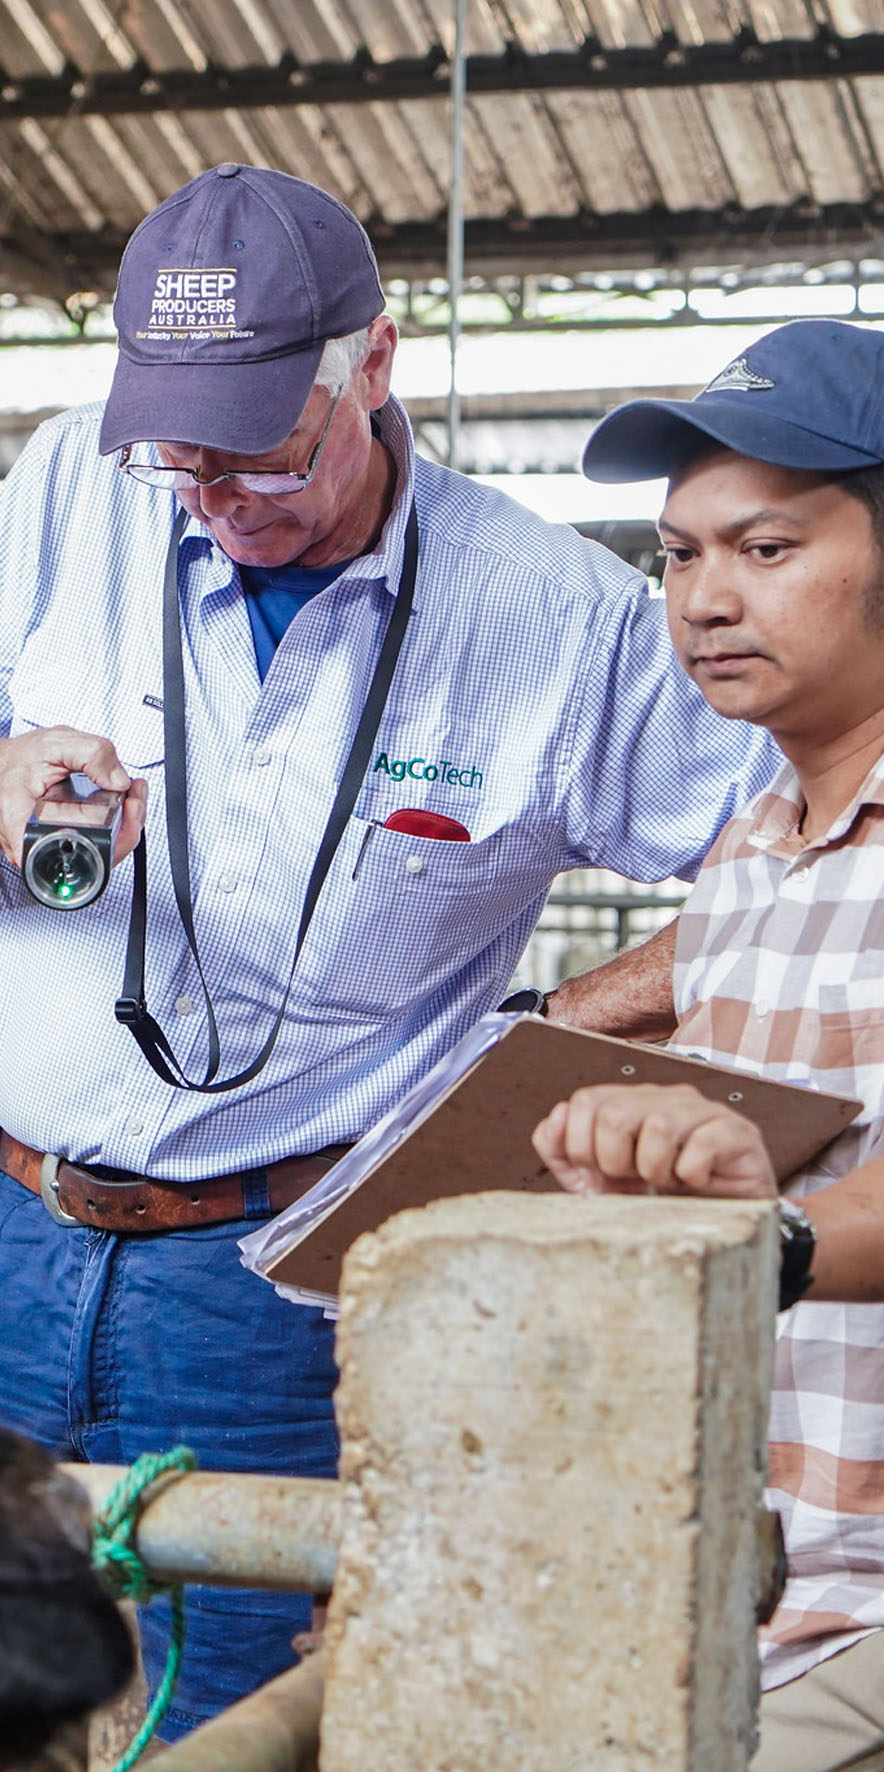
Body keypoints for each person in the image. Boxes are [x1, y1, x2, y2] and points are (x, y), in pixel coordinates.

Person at [0, 163, 775, 1736]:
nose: (207, 485)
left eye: (259, 446)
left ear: (376, 365)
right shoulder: (75, 487)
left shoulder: (553, 614)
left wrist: (555, 1028)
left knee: (259, 1717)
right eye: (178, 447)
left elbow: (797, 853)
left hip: (285, 1287)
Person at [532, 318, 884, 1772]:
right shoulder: (746, 857)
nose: (705, 600)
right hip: (739, 1577)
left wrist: (767, 1233)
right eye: (680, 556)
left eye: (767, 549)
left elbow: (755, 1219)